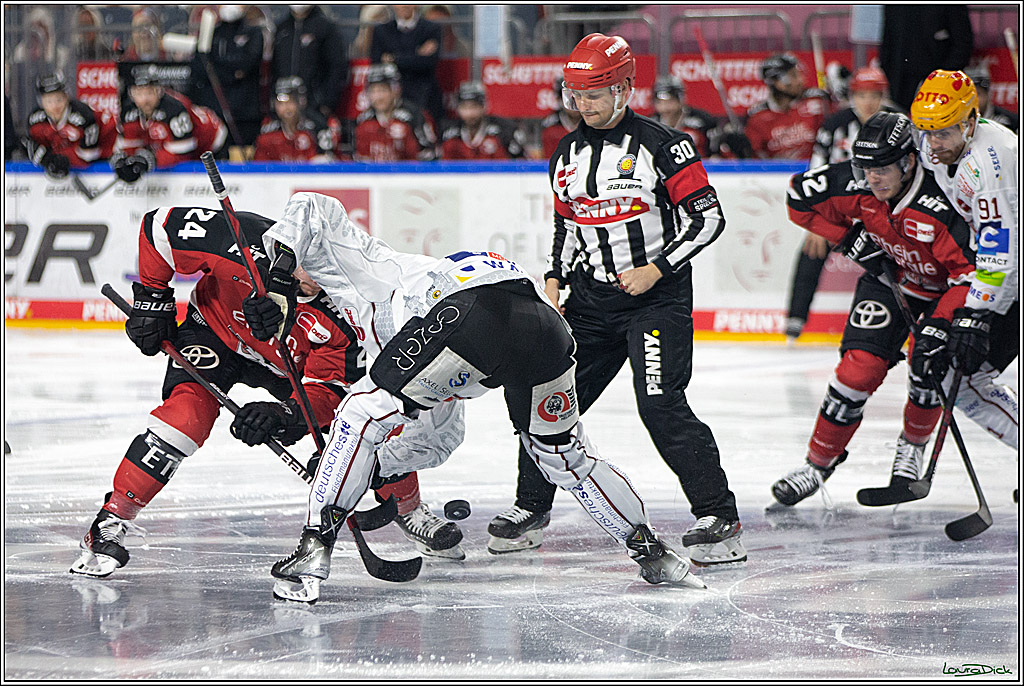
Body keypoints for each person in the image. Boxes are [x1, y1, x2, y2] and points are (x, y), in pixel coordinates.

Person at [244, 191, 708, 604]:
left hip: (467, 314)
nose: (304, 290)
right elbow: (438, 438)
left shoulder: (351, 261)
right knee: (564, 456)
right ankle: (652, 552)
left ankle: (311, 552)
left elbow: (308, 204)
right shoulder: (384, 333)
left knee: (357, 415)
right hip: (545, 330)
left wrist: (279, 279)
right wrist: (364, 469)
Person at [69, 206, 465, 578]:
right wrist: (153, 299)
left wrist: (286, 415)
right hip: (214, 332)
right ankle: (110, 520)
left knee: (367, 425)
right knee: (185, 419)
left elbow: (328, 389)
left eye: (327, 268)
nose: (314, 279)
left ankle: (409, 507)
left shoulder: (348, 309)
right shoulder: (244, 240)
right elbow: (159, 227)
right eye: (305, 262)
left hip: (286, 368)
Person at [490, 33, 745, 567]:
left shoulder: (664, 145)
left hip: (656, 300)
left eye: (593, 94)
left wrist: (656, 269)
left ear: (625, 89)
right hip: (589, 302)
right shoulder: (565, 151)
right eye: (575, 95)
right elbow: (566, 222)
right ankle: (529, 509)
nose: (582, 105)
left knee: (660, 403)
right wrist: (555, 281)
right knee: (546, 400)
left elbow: (710, 219)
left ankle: (718, 516)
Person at [771, 112, 978, 507]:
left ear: (908, 161)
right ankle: (817, 465)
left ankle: (912, 448)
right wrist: (847, 237)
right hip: (888, 282)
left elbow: (969, 274)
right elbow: (797, 199)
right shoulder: (855, 181)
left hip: (944, 292)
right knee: (856, 371)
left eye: (882, 168)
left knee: (926, 365)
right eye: (866, 168)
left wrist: (941, 321)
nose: (873, 178)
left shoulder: (943, 200)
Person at [910, 70, 1019, 450]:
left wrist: (975, 312)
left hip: (1009, 267)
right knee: (964, 382)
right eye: (927, 131)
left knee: (969, 382)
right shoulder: (934, 143)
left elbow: (1000, 248)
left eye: (944, 133)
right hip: (1006, 268)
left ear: (971, 122)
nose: (933, 144)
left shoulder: (993, 162)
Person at [784, 66, 899, 342]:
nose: (868, 102)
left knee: (902, 262)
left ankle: (909, 321)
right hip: (842, 211)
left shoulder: (898, 122)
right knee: (811, 251)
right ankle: (795, 321)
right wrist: (816, 221)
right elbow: (815, 170)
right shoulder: (835, 124)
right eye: (861, 95)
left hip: (885, 209)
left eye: (874, 95)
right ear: (852, 96)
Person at [112, 65, 227, 183]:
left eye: (149, 93)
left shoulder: (174, 109)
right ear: (131, 94)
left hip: (212, 140)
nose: (145, 99)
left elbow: (184, 153)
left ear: (159, 91)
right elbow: (129, 147)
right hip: (184, 145)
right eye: (139, 93)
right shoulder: (128, 111)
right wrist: (127, 161)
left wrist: (151, 159)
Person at [187, 4, 265, 149]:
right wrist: (231, 72)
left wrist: (216, 65)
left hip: (245, 115)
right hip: (216, 113)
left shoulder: (253, 32)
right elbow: (200, 66)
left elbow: (246, 64)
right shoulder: (211, 34)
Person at [25, 71, 117, 179]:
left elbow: (89, 156)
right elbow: (32, 149)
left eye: (59, 99)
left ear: (66, 96)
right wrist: (49, 160)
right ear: (41, 102)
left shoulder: (83, 116)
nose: (54, 106)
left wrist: (65, 159)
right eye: (49, 101)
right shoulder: (35, 121)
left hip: (92, 176)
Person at [879, 6, 973, 112]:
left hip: (940, 82)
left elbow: (963, 43)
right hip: (901, 78)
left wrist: (944, 77)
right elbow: (888, 40)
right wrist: (886, 71)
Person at [745, 54, 830, 161]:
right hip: (778, 175)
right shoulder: (757, 117)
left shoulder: (817, 101)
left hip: (817, 169)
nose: (801, 80)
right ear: (777, 82)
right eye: (794, 76)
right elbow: (754, 156)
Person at [270, 5, 349, 121]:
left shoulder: (326, 27)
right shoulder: (282, 28)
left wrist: (326, 103)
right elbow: (275, 68)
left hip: (314, 106)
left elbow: (337, 67)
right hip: (284, 107)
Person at [370, 5, 444, 126]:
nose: (404, 5)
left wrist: (393, 58)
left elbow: (428, 63)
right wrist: (416, 55)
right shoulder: (381, 30)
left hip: (423, 96)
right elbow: (378, 65)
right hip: (391, 99)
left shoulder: (431, 28)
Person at [354, 62, 436, 161]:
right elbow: (357, 159)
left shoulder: (414, 116)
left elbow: (429, 154)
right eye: (373, 91)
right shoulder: (363, 121)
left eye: (382, 90)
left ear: (395, 90)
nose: (378, 97)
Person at [253, 77, 337, 162]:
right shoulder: (268, 130)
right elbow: (259, 166)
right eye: (281, 103)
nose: (286, 107)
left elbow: (329, 162)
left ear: (301, 101)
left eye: (291, 101)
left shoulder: (317, 128)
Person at [439, 81, 524, 160]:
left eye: (475, 106)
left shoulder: (505, 130)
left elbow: (522, 164)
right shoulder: (448, 132)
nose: (469, 113)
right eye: (464, 107)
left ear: (484, 106)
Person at [650, 75, 720, 160]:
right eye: (660, 102)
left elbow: (715, 155)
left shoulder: (702, 121)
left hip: (698, 168)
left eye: (670, 101)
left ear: (680, 99)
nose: (665, 107)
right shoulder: (650, 124)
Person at [964, 65, 1019, 134]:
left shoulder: (1010, 121)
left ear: (987, 94)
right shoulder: (957, 121)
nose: (973, 99)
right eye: (968, 95)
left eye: (978, 94)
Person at [539, 78, 581, 159]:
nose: (574, 105)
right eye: (569, 100)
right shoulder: (551, 127)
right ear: (560, 100)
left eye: (578, 98)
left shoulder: (593, 124)